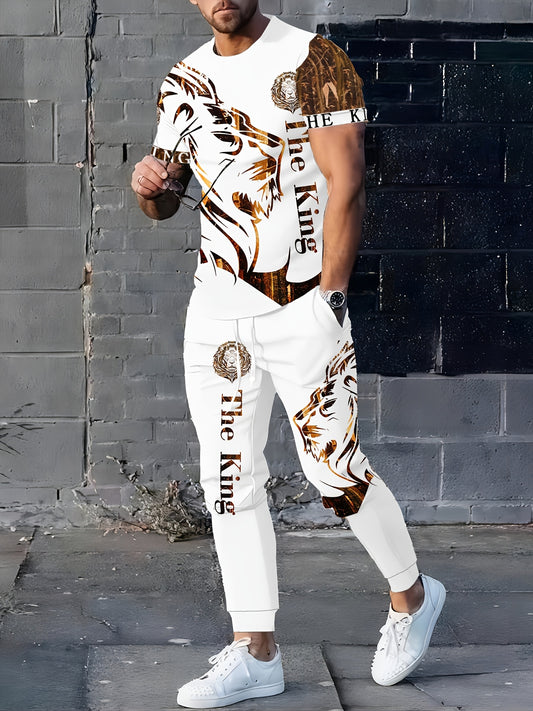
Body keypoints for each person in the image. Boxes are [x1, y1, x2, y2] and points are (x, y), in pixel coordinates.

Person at [131, 1, 446, 708]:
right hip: (218, 311)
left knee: (333, 470)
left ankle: (412, 596)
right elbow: (167, 197)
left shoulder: (314, 60)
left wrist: (329, 299)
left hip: (303, 302)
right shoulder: (183, 81)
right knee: (228, 477)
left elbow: (347, 181)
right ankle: (256, 652)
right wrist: (149, 184)